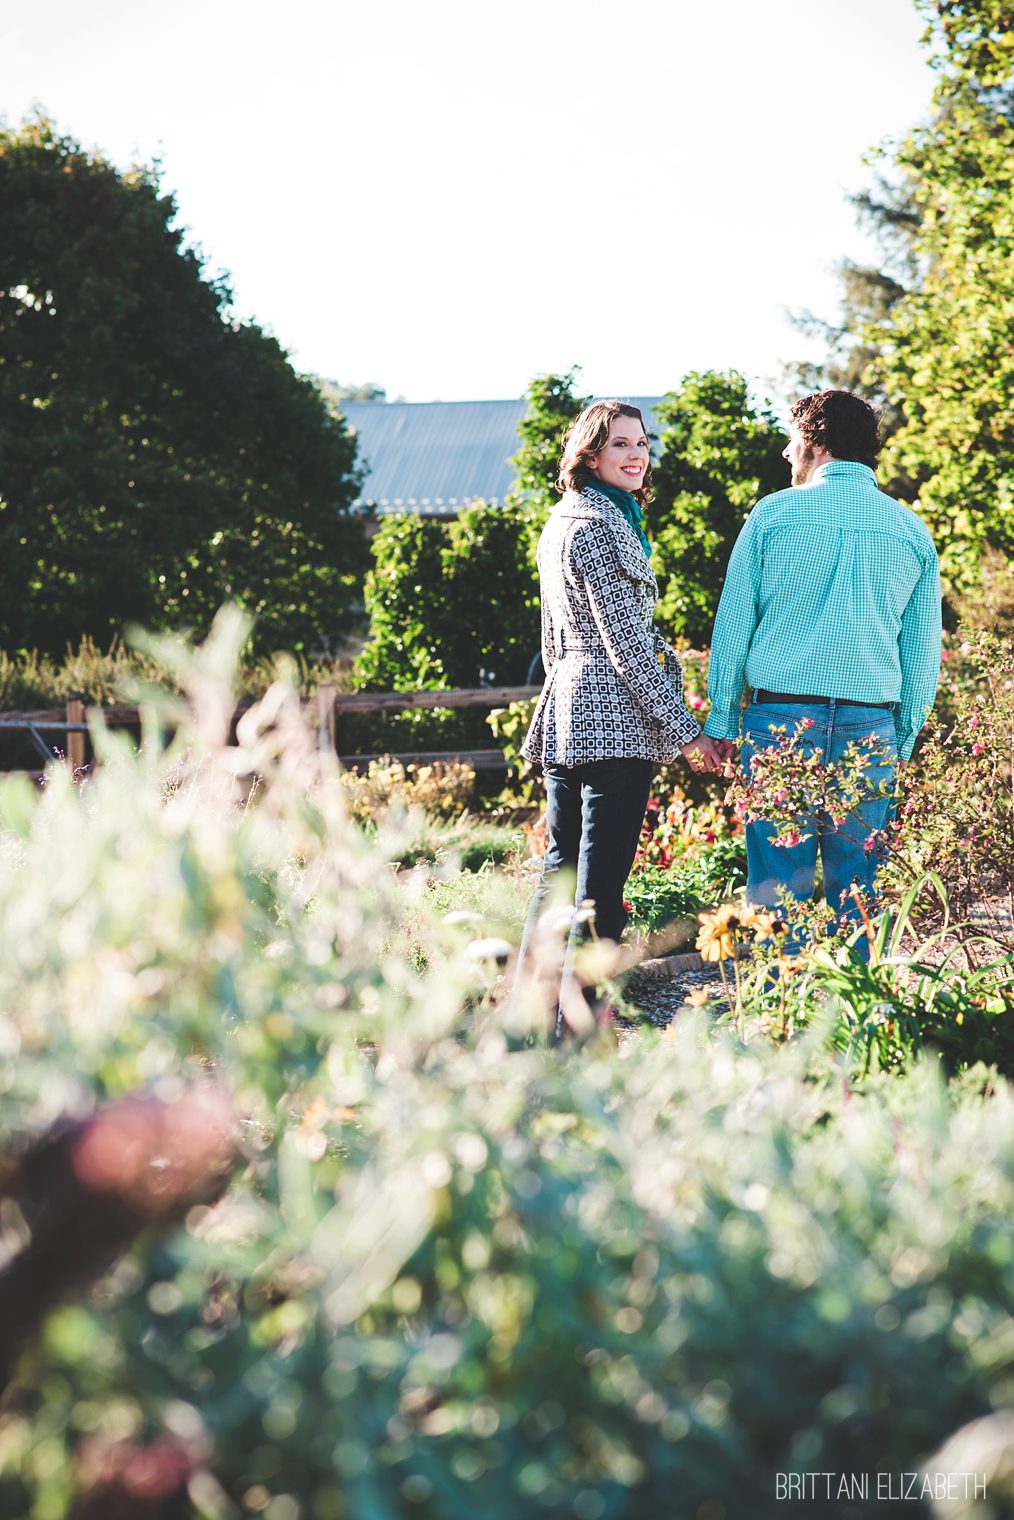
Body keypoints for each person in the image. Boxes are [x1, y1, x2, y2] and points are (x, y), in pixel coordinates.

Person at [704, 388, 942, 941]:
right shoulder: (910, 531)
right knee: (858, 892)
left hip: (780, 723)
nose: (787, 455)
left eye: (792, 441)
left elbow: (733, 628)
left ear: (813, 441)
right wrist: (901, 738)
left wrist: (720, 723)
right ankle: (853, 1022)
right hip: (870, 726)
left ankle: (777, 1015)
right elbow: (922, 655)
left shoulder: (772, 516)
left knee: (776, 891)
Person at [518, 400, 725, 1031]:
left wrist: (564, 697)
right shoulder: (602, 527)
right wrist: (687, 733)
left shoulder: (560, 521)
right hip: (612, 721)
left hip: (566, 711)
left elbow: (555, 641)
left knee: (562, 871)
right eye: (620, 445)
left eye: (642, 442)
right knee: (598, 888)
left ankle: (525, 1018)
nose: (637, 455)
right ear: (590, 455)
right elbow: (628, 648)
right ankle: (582, 1030)